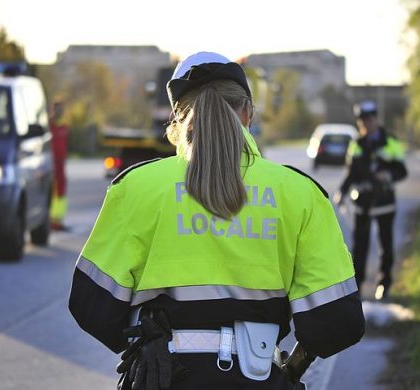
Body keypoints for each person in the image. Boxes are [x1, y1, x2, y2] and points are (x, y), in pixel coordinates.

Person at [68, 52, 364, 390]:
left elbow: (91, 306)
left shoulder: (134, 188)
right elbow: (337, 323)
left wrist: (144, 341)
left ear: (175, 123)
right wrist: (288, 365)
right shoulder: (300, 193)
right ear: (248, 113)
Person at [335, 100, 408, 300]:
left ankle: (384, 284)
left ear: (376, 119)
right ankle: (357, 287)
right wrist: (341, 192)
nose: (366, 123)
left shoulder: (391, 141)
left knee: (385, 245)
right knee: (360, 248)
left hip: (384, 202)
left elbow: (402, 170)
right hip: (362, 203)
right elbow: (350, 173)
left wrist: (388, 175)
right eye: (362, 121)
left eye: (369, 119)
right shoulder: (357, 144)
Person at [49, 99, 68, 231]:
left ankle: (58, 219)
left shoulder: (65, 127)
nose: (59, 112)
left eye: (61, 109)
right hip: (50, 163)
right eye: (57, 109)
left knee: (60, 191)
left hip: (60, 163)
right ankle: (49, 220)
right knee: (49, 190)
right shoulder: (49, 126)